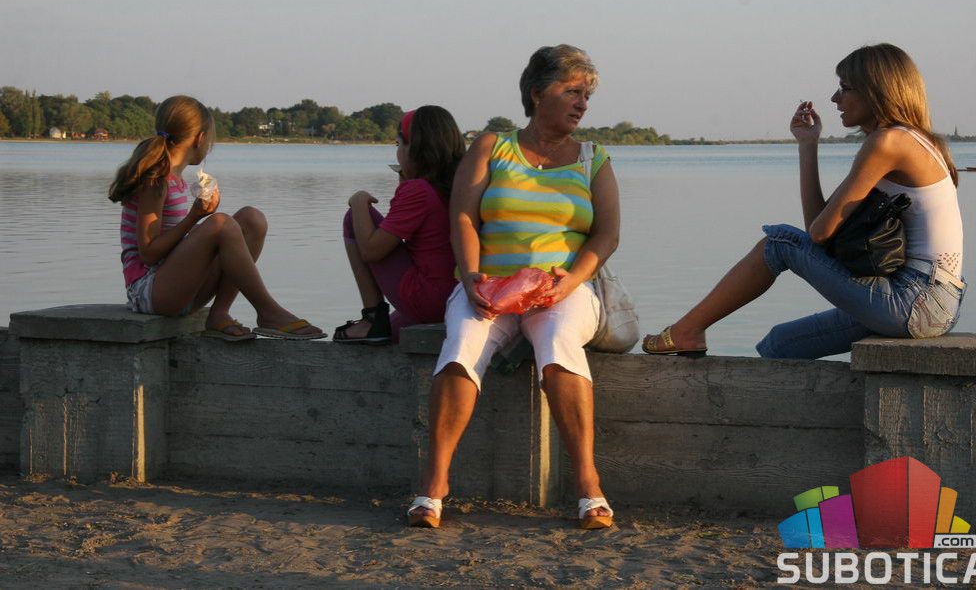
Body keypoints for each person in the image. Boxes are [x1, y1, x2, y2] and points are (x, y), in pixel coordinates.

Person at [407, 45, 621, 530]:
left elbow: (607, 235)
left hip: (561, 289)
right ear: (537, 93)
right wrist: (470, 276)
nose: (582, 103)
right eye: (572, 91)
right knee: (462, 344)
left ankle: (588, 485)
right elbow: (463, 216)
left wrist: (571, 281)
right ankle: (433, 486)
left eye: (587, 95)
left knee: (558, 343)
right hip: (489, 286)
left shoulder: (594, 157)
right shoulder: (491, 146)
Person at [643, 43, 965, 359]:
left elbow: (818, 234)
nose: (834, 99)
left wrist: (810, 235)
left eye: (844, 88)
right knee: (780, 345)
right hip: (931, 304)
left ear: (875, 91)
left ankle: (687, 331)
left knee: (778, 243)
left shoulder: (890, 142)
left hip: (915, 299)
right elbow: (818, 227)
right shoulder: (912, 141)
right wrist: (807, 145)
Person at [108, 95, 325, 340]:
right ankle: (268, 311)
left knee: (252, 219)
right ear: (200, 139)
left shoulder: (176, 179)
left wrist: (199, 221)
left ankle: (219, 313)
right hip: (149, 293)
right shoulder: (155, 181)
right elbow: (148, 253)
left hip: (179, 286)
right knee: (220, 223)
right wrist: (195, 218)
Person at [334, 106, 465, 344]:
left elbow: (372, 250)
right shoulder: (461, 183)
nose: (397, 153)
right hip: (459, 299)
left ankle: (372, 317)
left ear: (413, 148)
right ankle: (378, 325)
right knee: (392, 335)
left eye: (398, 144)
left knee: (354, 218)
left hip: (429, 299)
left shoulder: (418, 190)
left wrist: (359, 201)